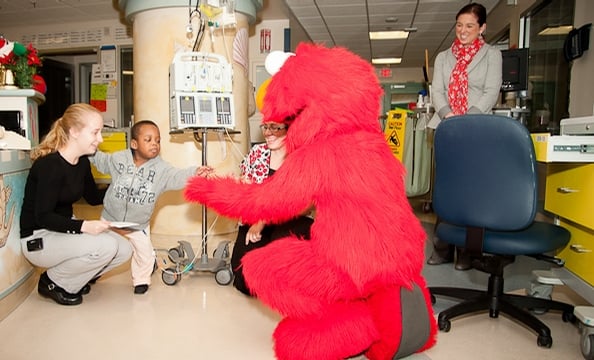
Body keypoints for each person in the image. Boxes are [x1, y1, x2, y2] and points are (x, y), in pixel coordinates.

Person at [20, 103, 133, 306]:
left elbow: (92, 197)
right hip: (38, 237)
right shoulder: (49, 166)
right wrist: (83, 226)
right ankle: (52, 282)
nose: (100, 139)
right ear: (74, 132)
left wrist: (122, 186)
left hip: (63, 229)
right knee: (106, 246)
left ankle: (74, 279)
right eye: (95, 132)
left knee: (124, 249)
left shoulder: (81, 162)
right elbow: (43, 217)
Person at [90, 120, 212, 294]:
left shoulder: (161, 169)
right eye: (148, 139)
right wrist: (88, 149)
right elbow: (102, 160)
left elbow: (176, 176)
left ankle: (141, 280)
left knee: (144, 254)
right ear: (134, 144)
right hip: (110, 218)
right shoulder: (119, 159)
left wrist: (194, 172)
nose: (154, 144)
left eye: (157, 140)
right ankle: (93, 272)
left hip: (138, 224)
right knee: (100, 248)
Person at [427, 2, 502, 270]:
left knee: (472, 193)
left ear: (482, 28)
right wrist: (448, 114)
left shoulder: (492, 55)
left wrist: (468, 117)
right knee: (447, 189)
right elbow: (437, 91)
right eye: (459, 25)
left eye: (470, 25)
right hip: (447, 128)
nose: (463, 30)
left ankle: (469, 252)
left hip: (477, 127)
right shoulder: (443, 57)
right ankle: (442, 247)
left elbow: (491, 91)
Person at [231, 121, 313, 296]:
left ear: (291, 129)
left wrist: (266, 219)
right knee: (244, 282)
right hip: (254, 221)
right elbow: (246, 192)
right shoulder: (257, 153)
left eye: (275, 127)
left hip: (290, 221)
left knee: (284, 251)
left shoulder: (302, 158)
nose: (268, 133)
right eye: (266, 127)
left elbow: (306, 205)